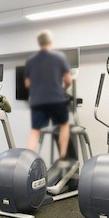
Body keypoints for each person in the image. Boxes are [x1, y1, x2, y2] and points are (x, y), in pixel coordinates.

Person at [25, 30, 72, 167]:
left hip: (37, 100)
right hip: (56, 99)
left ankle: (28, 160)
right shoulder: (60, 57)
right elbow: (68, 80)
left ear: (39, 43)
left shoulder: (31, 60)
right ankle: (63, 157)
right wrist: (63, 88)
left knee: (35, 130)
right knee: (64, 125)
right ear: (50, 42)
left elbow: (27, 83)